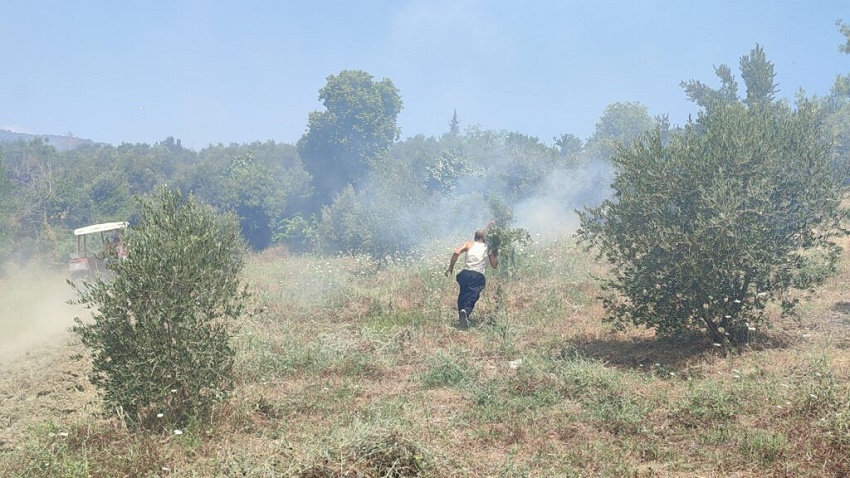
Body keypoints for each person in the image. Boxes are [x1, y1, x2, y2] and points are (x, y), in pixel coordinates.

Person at [445, 228, 499, 330]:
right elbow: (494, 265)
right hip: (477, 275)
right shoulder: (489, 248)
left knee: (463, 293)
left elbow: (456, 252)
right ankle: (465, 311)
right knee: (473, 295)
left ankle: (462, 315)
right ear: (485, 238)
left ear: (475, 238)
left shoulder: (469, 244)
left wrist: (451, 267)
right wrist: (495, 255)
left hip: (465, 273)